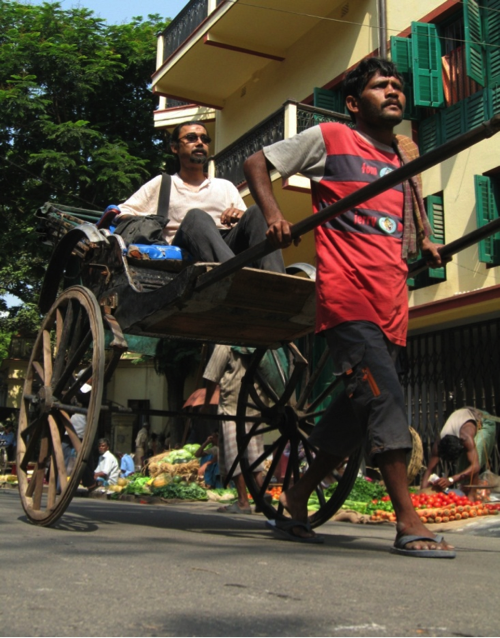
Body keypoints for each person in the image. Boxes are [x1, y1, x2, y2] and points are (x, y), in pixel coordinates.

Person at [243, 57, 453, 557]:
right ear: (356, 103)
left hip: (392, 303)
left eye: (398, 85)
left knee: (355, 412)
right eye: (382, 86)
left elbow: (412, 210)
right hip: (347, 296)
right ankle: (407, 520)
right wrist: (273, 214)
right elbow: (257, 163)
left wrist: (425, 241)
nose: (394, 91)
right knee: (384, 399)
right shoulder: (332, 137)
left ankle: (296, 493)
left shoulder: (402, 156)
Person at [116, 120, 285, 273]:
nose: (199, 143)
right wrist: (154, 223)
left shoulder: (224, 185)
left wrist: (239, 215)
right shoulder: (163, 183)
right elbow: (122, 212)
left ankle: (277, 279)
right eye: (191, 138)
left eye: (204, 139)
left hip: (225, 244)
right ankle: (237, 277)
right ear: (175, 148)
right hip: (185, 248)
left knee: (257, 211)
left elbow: (248, 221)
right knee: (196, 217)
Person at [202, 345, 268, 514]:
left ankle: (243, 501)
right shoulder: (258, 343)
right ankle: (261, 492)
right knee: (253, 453)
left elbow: (211, 376)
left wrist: (207, 402)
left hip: (232, 407)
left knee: (234, 455)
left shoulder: (225, 345)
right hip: (256, 405)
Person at [421, 407, 497, 497]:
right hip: (464, 417)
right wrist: (421, 494)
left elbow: (475, 466)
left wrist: (451, 480)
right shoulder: (439, 443)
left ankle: (473, 496)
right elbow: (429, 469)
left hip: (484, 421)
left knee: (477, 453)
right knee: (463, 469)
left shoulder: (466, 436)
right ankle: (466, 492)